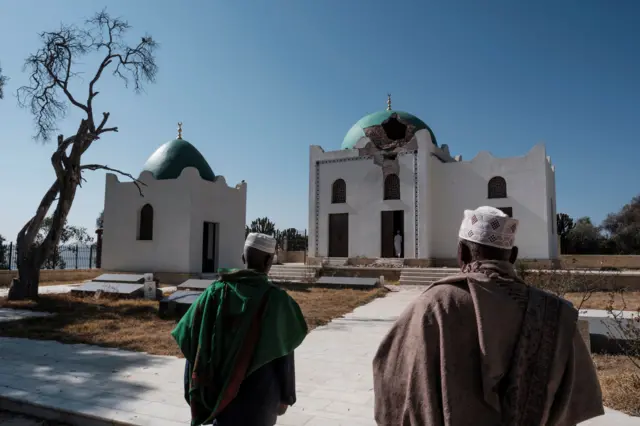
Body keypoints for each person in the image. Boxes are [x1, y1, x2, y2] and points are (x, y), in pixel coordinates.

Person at [372, 206, 604, 426]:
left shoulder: (435, 305)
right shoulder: (556, 313)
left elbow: (392, 373)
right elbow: (574, 400)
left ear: (461, 253)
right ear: (513, 256)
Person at [172, 232, 308, 426]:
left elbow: (192, 340)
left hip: (220, 398)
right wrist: (286, 396)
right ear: (269, 260)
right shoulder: (277, 301)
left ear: (243, 258)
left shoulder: (213, 293)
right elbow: (285, 354)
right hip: (262, 399)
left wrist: (194, 390)